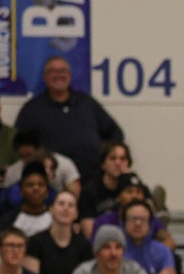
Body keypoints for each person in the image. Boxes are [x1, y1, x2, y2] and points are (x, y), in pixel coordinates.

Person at [14, 57, 126, 186]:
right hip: (54, 182)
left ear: (70, 75)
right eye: (53, 71)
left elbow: (115, 133)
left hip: (93, 180)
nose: (58, 75)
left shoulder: (87, 103)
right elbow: (20, 146)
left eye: (63, 71)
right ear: (45, 77)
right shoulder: (32, 109)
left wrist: (106, 155)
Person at [77, 143, 141, 230]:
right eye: (112, 158)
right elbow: (89, 230)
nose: (118, 163)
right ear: (103, 165)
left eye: (122, 159)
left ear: (128, 164)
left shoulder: (136, 185)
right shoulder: (90, 191)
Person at [0, 163, 54, 237]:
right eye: (30, 185)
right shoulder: (8, 221)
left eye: (40, 185)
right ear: (21, 191)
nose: (36, 189)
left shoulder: (55, 220)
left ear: (47, 191)